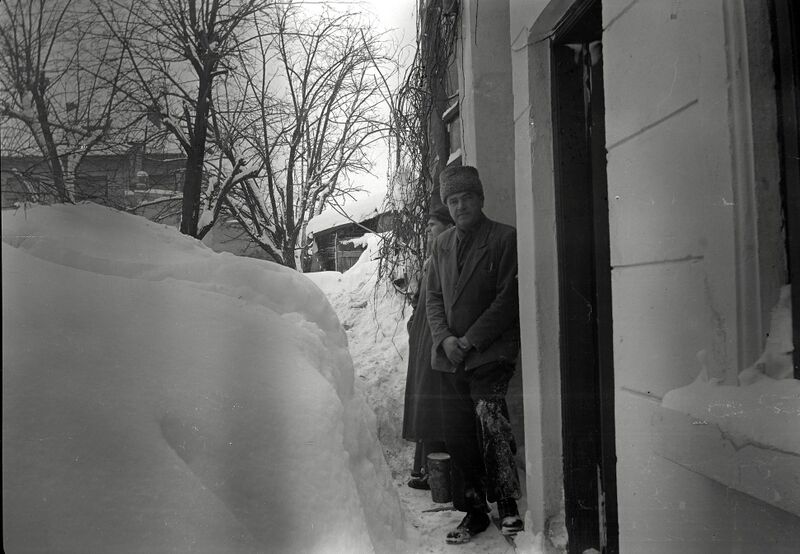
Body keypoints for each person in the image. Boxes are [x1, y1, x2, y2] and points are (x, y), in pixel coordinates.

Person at [426, 165, 523, 544]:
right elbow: (433, 297)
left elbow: (507, 298)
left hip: (489, 352)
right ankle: (475, 511)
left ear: (480, 199)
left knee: (491, 423)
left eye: (466, 197)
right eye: (452, 200)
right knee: (459, 434)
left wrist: (469, 340)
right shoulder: (441, 243)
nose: (460, 205)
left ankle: (507, 505)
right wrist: (445, 338)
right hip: (451, 356)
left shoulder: (503, 238)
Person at [401, 201, 454, 490]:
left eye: (433, 225)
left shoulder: (446, 258)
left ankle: (438, 476)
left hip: (436, 344)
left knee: (434, 407)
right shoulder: (433, 257)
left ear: (447, 226)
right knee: (424, 404)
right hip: (422, 342)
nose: (428, 230)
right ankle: (424, 470)